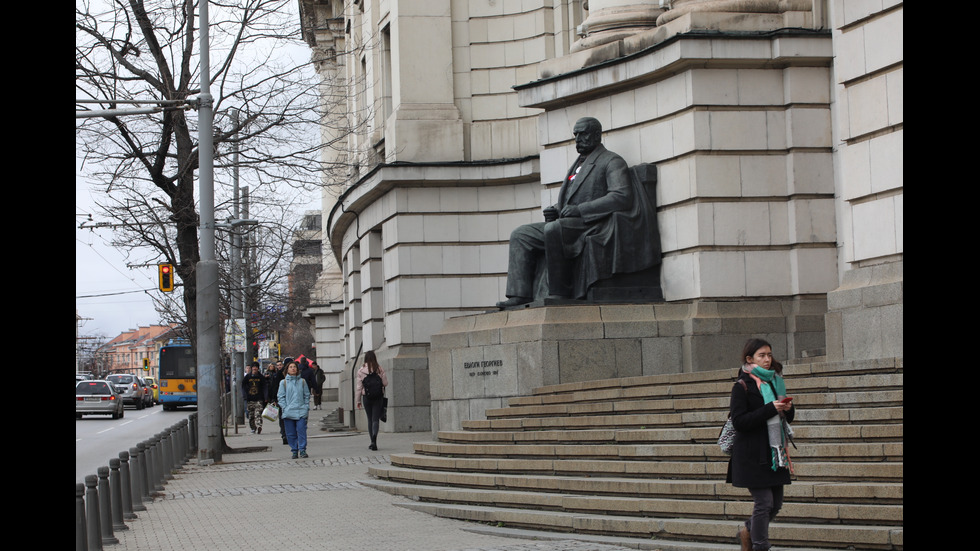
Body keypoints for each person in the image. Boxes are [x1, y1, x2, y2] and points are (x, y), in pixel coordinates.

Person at [496, 117, 660, 307]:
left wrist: (580, 210)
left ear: (597, 135)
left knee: (554, 230)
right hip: (571, 223)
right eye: (576, 134)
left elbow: (621, 196)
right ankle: (519, 295)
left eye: (583, 133)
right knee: (521, 234)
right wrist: (557, 211)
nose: (578, 138)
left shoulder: (611, 161)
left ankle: (560, 292)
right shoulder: (579, 164)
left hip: (595, 224)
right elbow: (576, 196)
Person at [727, 338, 796, 551]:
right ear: (750, 359)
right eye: (762, 356)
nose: (767, 360)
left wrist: (787, 408)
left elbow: (787, 419)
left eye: (769, 355)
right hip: (750, 455)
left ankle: (747, 531)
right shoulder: (741, 386)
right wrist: (770, 409)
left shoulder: (776, 382)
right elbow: (739, 421)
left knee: (775, 505)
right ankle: (760, 546)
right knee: (764, 503)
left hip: (774, 452)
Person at [277, 360, 311, 459]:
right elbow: (281, 397)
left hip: (301, 411)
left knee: (301, 431)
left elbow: (307, 395)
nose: (293, 368)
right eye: (291, 367)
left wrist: (306, 407)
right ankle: (294, 450)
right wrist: (285, 407)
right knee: (290, 433)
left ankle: (303, 449)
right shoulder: (283, 383)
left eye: (294, 367)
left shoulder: (302, 382)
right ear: (287, 370)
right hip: (289, 412)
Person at [355, 351, 388, 451]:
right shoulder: (379, 369)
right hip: (378, 397)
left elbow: (359, 388)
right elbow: (385, 383)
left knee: (369, 419)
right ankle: (375, 438)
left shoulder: (361, 371)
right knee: (375, 419)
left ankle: (372, 442)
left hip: (367, 398)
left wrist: (358, 401)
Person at [241, 362, 267, 434]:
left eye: (256, 367)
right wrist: (244, 395)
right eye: (253, 367)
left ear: (258, 368)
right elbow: (243, 386)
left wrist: (265, 396)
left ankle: (259, 426)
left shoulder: (261, 377)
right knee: (251, 415)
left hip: (259, 398)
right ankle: (253, 427)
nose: (255, 368)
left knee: (258, 413)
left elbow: (265, 387)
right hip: (250, 399)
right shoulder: (247, 377)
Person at [267, 360, 288, 445]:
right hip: (281, 399)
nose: (279, 366)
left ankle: (285, 433)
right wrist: (274, 399)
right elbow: (275, 387)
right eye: (278, 365)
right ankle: (284, 434)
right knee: (282, 417)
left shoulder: (280, 374)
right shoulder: (279, 374)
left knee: (284, 417)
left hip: (288, 399)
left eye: (280, 365)